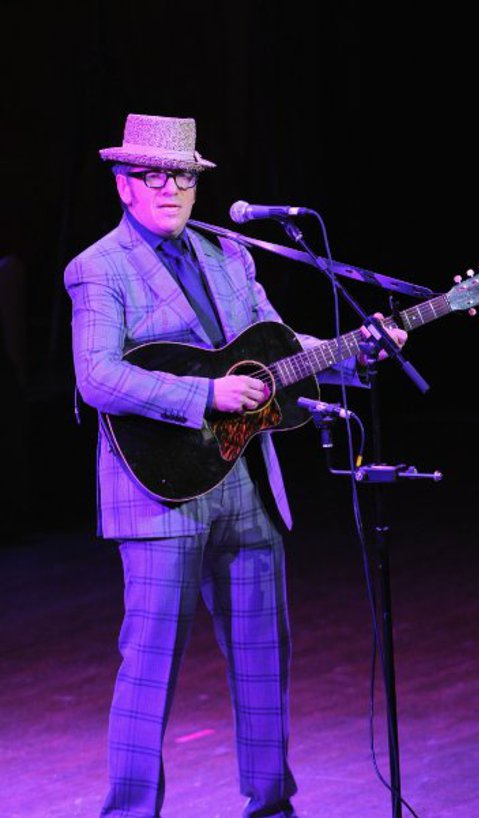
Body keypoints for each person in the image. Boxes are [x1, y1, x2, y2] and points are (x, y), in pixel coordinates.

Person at [64, 113, 407, 818]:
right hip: (159, 492)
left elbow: (278, 347)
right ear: (124, 185)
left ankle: (271, 805)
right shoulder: (98, 268)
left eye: (183, 176)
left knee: (262, 662)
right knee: (150, 667)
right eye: (153, 176)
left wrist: (355, 352)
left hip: (246, 480)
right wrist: (204, 394)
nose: (170, 189)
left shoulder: (229, 255)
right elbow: (96, 377)